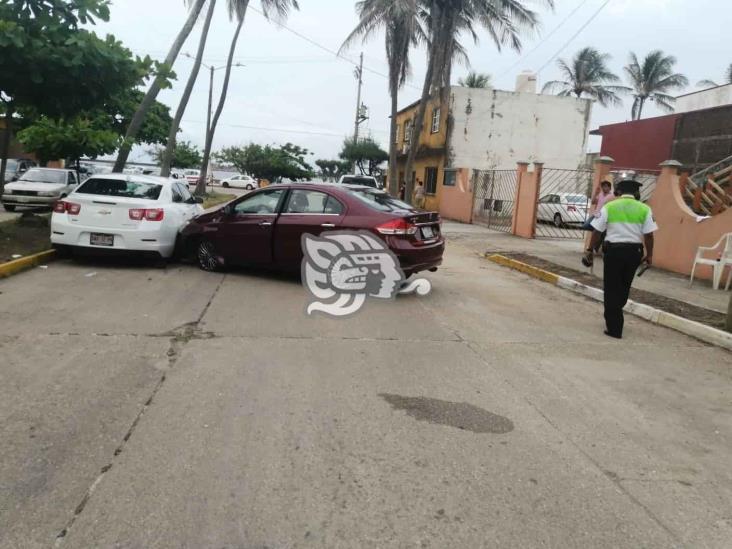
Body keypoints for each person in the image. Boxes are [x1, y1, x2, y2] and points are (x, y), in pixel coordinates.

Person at [583, 178, 657, 339]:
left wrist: (590, 249)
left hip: (613, 253)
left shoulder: (610, 206)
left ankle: (614, 327)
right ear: (636, 193)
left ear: (619, 192)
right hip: (633, 254)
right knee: (624, 286)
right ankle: (616, 312)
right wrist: (649, 255)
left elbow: (596, 230)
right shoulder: (645, 209)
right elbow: (649, 235)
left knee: (611, 288)